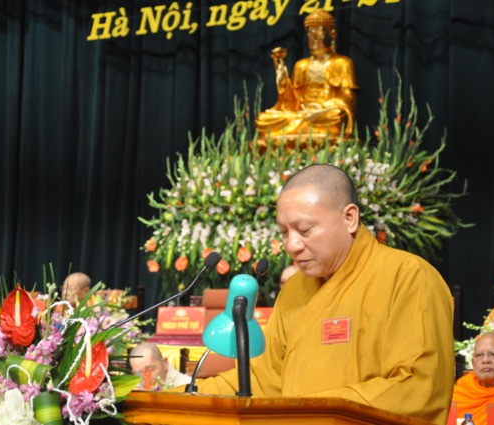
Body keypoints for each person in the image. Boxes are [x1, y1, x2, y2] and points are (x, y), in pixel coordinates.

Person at [184, 164, 454, 424]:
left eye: (305, 230)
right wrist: (183, 397)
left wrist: (307, 414)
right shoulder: (294, 290)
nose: (292, 245)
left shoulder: (408, 276)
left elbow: (417, 387)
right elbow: (263, 380)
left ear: (349, 218)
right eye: (284, 232)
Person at [255, 9, 358, 139]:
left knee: (336, 115)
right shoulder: (301, 65)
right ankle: (300, 127)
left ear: (332, 33)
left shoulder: (342, 63)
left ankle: (300, 127)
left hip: (324, 113)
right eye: (309, 33)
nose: (312, 38)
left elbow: (348, 98)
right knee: (263, 119)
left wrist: (322, 107)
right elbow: (292, 104)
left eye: (317, 32)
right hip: (301, 113)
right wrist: (283, 81)